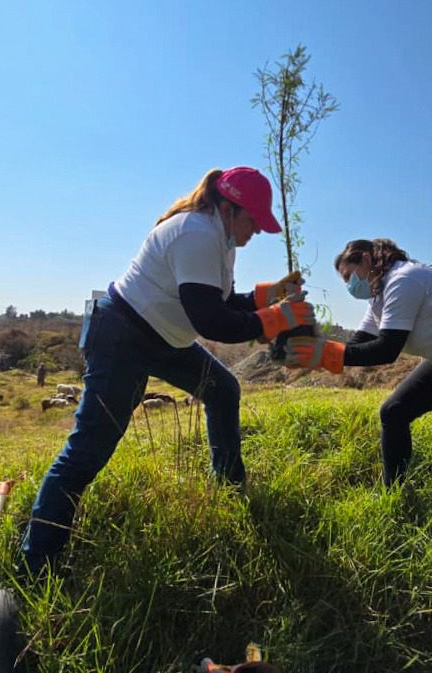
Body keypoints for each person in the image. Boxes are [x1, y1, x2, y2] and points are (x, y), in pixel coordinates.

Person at [19, 167, 314, 577]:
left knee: (222, 390)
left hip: (162, 338)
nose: (256, 233)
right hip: (123, 336)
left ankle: (229, 489)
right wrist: (275, 319)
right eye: (253, 222)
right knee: (87, 452)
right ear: (229, 208)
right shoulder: (195, 233)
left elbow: (223, 301)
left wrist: (269, 296)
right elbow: (212, 321)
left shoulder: (222, 238)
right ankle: (37, 564)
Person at [282, 239, 432, 578]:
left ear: (366, 260)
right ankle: (393, 495)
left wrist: (325, 354)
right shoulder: (380, 293)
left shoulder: (403, 280)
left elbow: (386, 349)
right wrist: (315, 343)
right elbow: (360, 345)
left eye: (350, 275)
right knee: (393, 411)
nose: (350, 285)